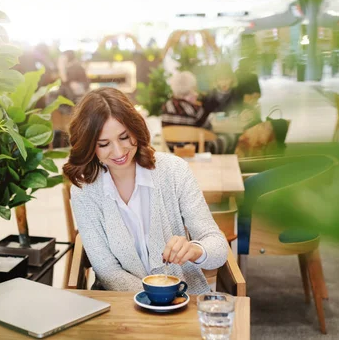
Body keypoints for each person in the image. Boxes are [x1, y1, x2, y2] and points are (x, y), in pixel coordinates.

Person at [63, 88, 228, 294]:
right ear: (89, 147)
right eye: (104, 144)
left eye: (124, 137)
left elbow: (218, 246)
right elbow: (107, 270)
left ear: (136, 129)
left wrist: (195, 250)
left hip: (184, 300)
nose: (119, 151)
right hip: (123, 306)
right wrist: (157, 296)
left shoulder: (174, 170)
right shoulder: (85, 192)